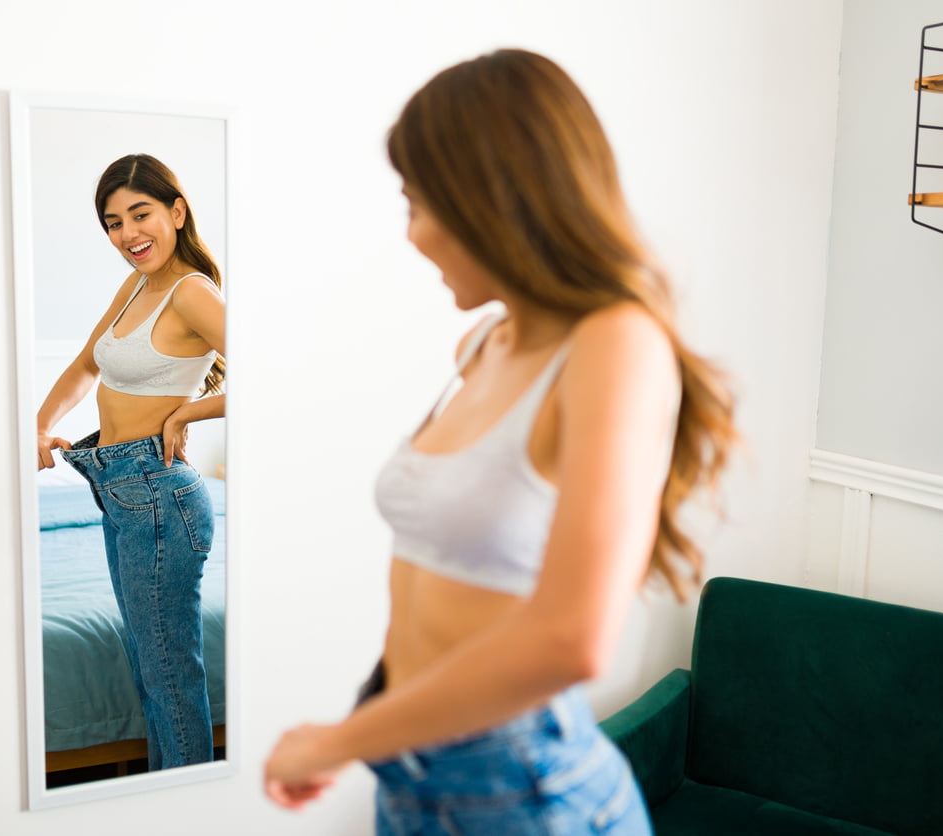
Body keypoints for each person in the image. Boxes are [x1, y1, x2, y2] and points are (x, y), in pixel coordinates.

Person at [263, 49, 735, 833]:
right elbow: (424, 594)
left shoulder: (616, 345)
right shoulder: (483, 346)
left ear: (495, 195)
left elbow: (571, 642)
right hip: (413, 778)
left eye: (419, 204)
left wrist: (333, 743)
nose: (412, 235)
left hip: (522, 791)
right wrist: (366, 728)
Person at [36, 153, 226, 770]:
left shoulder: (191, 292)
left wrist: (187, 413)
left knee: (169, 671)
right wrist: (40, 423)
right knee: (153, 665)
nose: (128, 234)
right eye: (113, 222)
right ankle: (164, 790)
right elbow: (88, 363)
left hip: (158, 492)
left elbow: (277, 370)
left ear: (176, 211)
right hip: (118, 487)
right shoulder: (140, 285)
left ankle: (187, 800)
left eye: (139, 214)